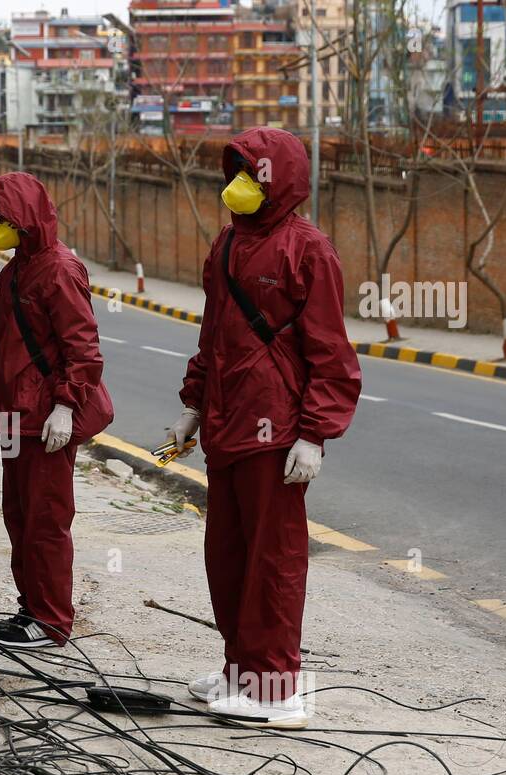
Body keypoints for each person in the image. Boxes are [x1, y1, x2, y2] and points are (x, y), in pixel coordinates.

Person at [168, 127, 361, 728]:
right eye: (236, 174)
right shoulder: (226, 245)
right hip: (226, 422)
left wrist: (314, 433)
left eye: (252, 175)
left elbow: (331, 354)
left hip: (276, 431)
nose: (239, 186)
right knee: (227, 556)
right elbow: (215, 336)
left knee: (271, 560)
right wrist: (193, 406)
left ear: (278, 181)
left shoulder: (309, 250)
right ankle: (239, 670)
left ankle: (276, 688)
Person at [0, 173, 114, 650]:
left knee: (46, 520)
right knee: (18, 515)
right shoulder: (14, 271)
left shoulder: (60, 270)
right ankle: (32, 606)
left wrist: (64, 405)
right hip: (15, 416)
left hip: (47, 421)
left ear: (24, 220)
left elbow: (84, 350)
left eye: (0, 219)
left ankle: (52, 620)